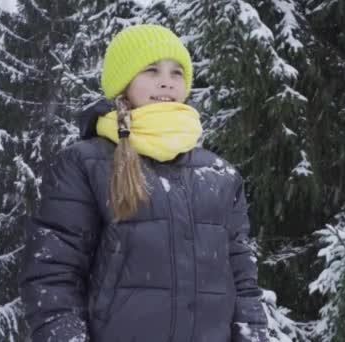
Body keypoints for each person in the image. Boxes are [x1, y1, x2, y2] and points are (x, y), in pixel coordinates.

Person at [18, 24, 269, 342]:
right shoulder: (84, 164)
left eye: (177, 72)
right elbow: (52, 276)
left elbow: (243, 281)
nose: (166, 80)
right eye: (151, 70)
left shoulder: (220, 175)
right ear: (122, 82)